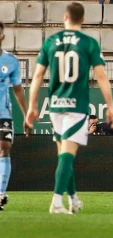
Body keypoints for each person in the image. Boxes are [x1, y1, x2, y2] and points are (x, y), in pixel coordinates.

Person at [25, 2, 113, 214]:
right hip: (76, 106)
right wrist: (110, 106)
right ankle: (56, 202)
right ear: (82, 20)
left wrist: (32, 106)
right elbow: (101, 76)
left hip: (55, 106)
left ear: (65, 18)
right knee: (68, 154)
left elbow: (37, 75)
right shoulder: (89, 43)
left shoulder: (51, 41)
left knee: (63, 154)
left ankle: (73, 199)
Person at [0, 22, 29, 211]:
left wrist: (27, 115)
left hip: (3, 113)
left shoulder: (10, 61)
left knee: (5, 147)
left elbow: (18, 89)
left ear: (2, 36)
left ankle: (0, 194)